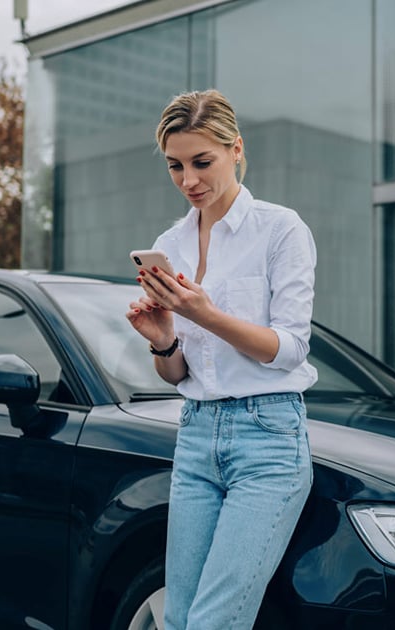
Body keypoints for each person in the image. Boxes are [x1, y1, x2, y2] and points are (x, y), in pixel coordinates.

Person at [126, 89, 317, 630]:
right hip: (195, 437)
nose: (189, 180)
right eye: (176, 166)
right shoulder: (172, 242)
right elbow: (178, 373)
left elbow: (290, 348)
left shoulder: (281, 230)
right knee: (180, 617)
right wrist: (163, 338)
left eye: (202, 162)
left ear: (236, 149)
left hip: (268, 439)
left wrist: (205, 314)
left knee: (214, 622)